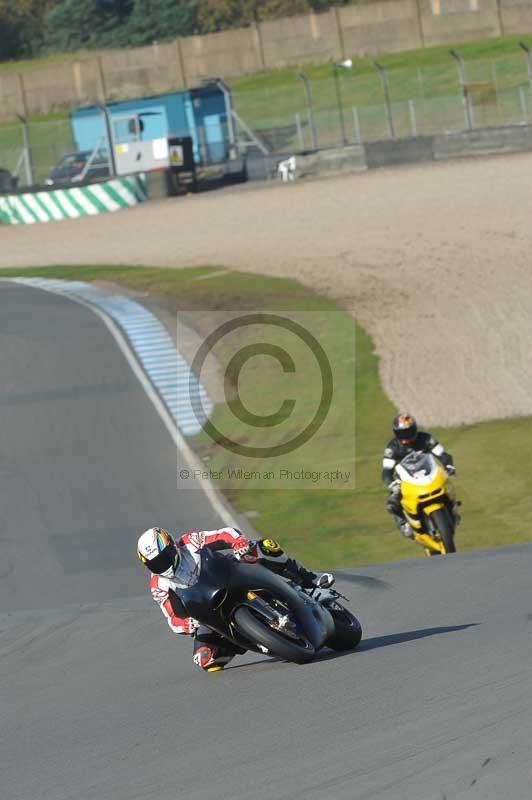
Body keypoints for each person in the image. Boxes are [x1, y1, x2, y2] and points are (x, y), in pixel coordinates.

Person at [137, 526, 334, 672]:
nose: (163, 566)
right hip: (208, 608)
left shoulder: (189, 542)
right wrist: (186, 624)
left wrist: (238, 543)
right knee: (204, 659)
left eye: (165, 558)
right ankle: (247, 638)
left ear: (173, 546)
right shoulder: (158, 585)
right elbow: (172, 617)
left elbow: (225, 534)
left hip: (228, 574)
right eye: (156, 564)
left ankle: (309, 580)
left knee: (261, 547)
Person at [382, 414, 455, 538]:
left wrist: (448, 465)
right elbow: (386, 471)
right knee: (392, 502)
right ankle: (403, 522)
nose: (405, 438)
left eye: (408, 433)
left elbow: (442, 454)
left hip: (429, 473)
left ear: (414, 429)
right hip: (405, 480)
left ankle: (452, 506)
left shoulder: (426, 438)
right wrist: (392, 484)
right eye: (401, 434)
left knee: (447, 483)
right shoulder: (392, 448)